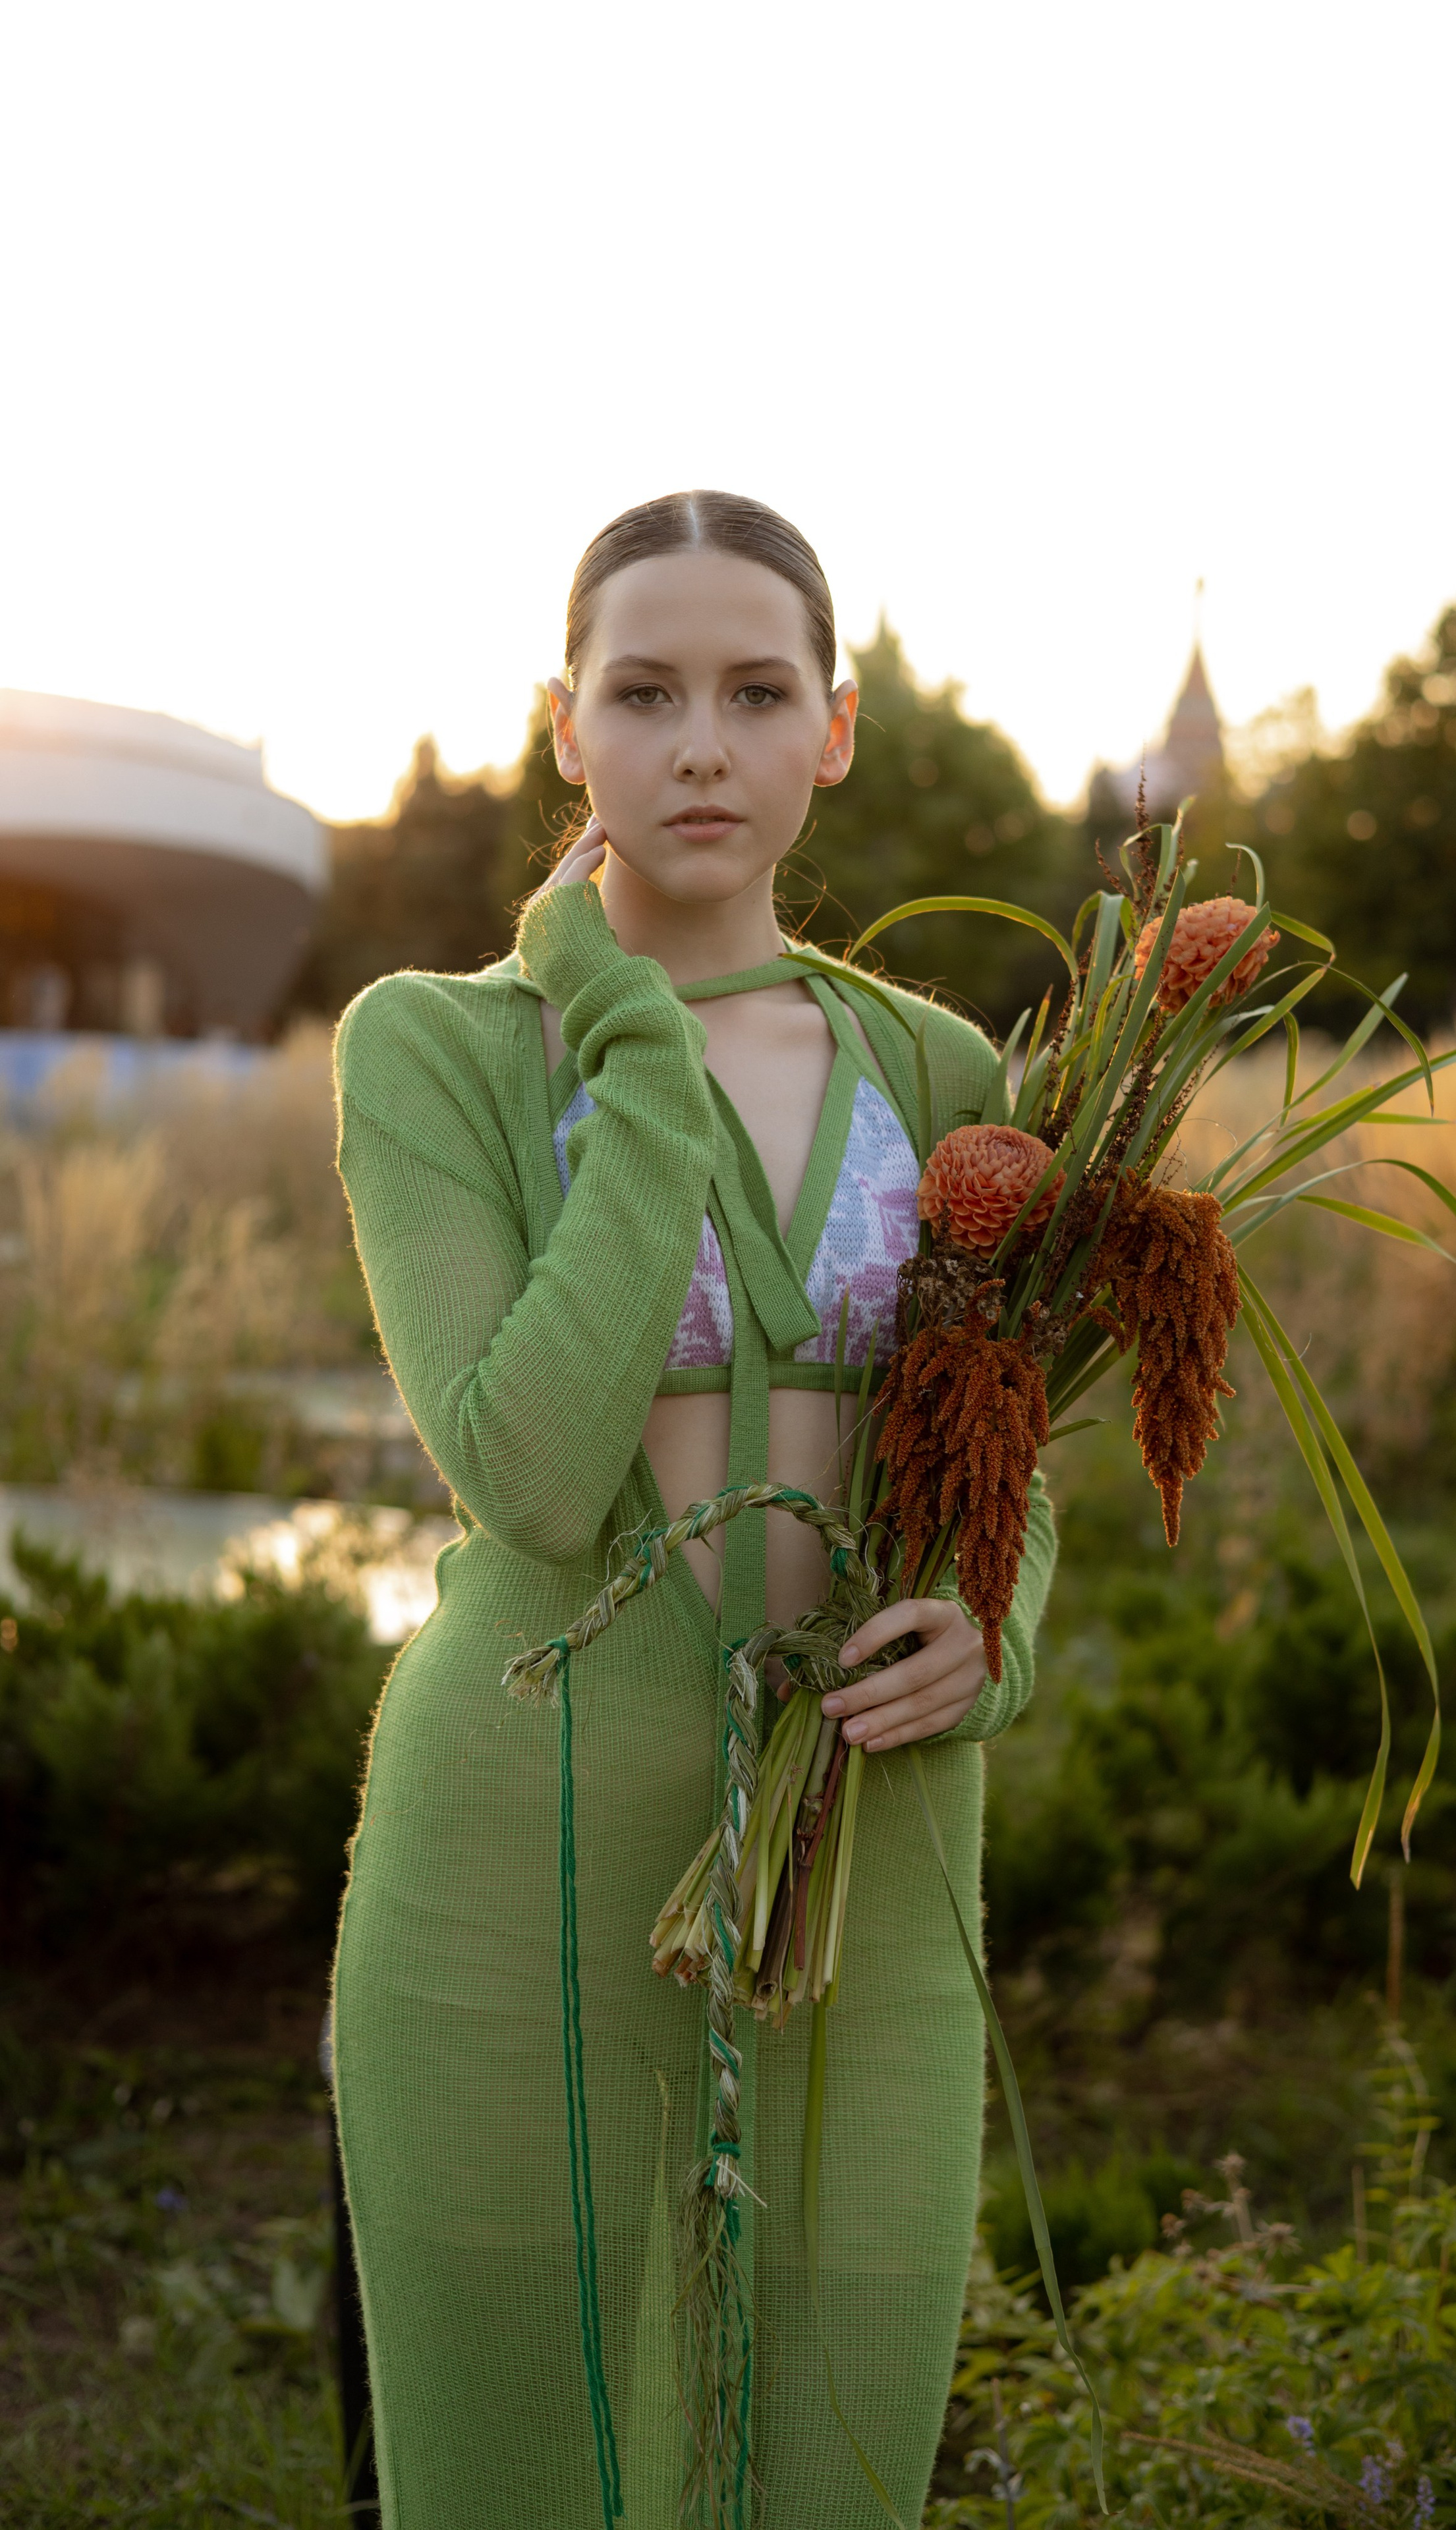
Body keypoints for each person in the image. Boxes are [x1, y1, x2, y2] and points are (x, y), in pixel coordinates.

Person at [330, 490, 1055, 2529]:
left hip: (870, 1845)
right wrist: (627, 1029)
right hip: (521, 1833)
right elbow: (534, 1473)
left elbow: (1010, 1448)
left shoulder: (937, 1063)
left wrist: (1000, 1634)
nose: (701, 745)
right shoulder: (440, 1049)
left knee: (832, 2443)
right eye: (643, 693)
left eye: (757, 691)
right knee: (521, 2455)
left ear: (836, 729)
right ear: (567, 726)